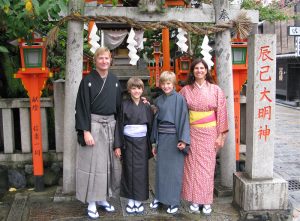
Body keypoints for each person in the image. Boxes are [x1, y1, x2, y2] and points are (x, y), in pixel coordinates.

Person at [75, 47, 122, 219]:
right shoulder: (87, 81)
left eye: (107, 58)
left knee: (107, 165)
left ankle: (102, 198)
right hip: (93, 125)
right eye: (100, 58)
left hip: (110, 124)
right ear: (95, 61)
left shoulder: (115, 81)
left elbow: (119, 108)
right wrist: (86, 131)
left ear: (110, 60)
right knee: (93, 165)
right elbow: (81, 107)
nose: (104, 61)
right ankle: (92, 202)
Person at [179, 58, 228, 215]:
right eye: (196, 68)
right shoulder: (186, 90)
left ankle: (206, 201)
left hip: (209, 132)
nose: (199, 71)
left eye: (202, 68)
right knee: (191, 166)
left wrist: (220, 135)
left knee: (207, 167)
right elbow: (176, 105)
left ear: (207, 71)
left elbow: (221, 113)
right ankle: (194, 199)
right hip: (192, 131)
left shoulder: (215, 90)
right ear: (192, 71)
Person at [150, 71, 190, 214]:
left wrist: (183, 140)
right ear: (160, 85)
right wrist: (154, 142)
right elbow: (155, 122)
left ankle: (173, 201)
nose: (166, 86)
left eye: (169, 83)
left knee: (174, 172)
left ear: (174, 84)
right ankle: (159, 197)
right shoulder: (159, 100)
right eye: (163, 83)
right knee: (160, 170)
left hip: (175, 139)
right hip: (162, 138)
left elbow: (184, 120)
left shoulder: (180, 99)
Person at [114, 77, 153, 214]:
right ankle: (131, 200)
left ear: (142, 90)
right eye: (134, 88)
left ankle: (139, 200)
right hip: (128, 142)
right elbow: (119, 125)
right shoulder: (123, 105)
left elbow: (151, 125)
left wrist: (152, 144)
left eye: (139, 88)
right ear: (129, 90)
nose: (136, 91)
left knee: (141, 172)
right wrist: (117, 145)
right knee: (128, 170)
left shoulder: (146, 105)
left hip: (142, 142)